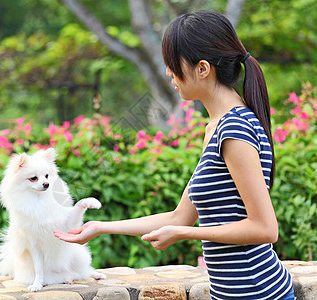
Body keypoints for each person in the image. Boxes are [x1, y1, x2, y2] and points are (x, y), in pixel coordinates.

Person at [54, 10, 294, 300]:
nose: (168, 73)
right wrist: (101, 227)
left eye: (173, 63)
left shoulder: (234, 129)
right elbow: (181, 217)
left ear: (203, 68)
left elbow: (265, 228)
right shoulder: (217, 127)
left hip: (258, 292)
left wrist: (186, 235)